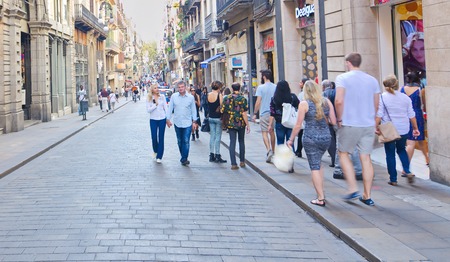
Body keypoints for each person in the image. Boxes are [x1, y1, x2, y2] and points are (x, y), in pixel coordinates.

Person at [335, 52, 380, 206]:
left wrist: (339, 118)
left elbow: (339, 100)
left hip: (349, 122)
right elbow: (376, 103)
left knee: (343, 154)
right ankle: (367, 195)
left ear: (348, 63)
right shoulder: (372, 80)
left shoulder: (342, 78)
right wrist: (373, 120)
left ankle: (352, 188)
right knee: (366, 158)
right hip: (367, 124)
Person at [287, 80, 336, 207]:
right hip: (326, 138)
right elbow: (334, 121)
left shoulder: (304, 104)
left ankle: (320, 198)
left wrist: (291, 139)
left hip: (310, 138)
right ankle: (322, 192)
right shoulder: (326, 102)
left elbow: (298, 125)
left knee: (314, 167)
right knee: (319, 164)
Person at [376, 75, 419, 185]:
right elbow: (411, 115)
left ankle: (393, 179)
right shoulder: (405, 98)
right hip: (403, 128)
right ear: (397, 84)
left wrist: (376, 126)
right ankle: (407, 170)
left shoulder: (382, 97)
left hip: (389, 129)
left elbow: (379, 114)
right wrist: (415, 128)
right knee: (401, 150)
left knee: (390, 154)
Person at [166, 81, 198, 166]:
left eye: (182, 87)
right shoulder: (174, 96)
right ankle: (183, 156)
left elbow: (194, 110)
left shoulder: (190, 97)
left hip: (187, 122)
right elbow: (170, 108)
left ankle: (184, 159)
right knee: (180, 141)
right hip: (177, 122)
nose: (181, 88)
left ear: (185, 87)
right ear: (177, 88)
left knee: (186, 141)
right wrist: (168, 119)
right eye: (179, 87)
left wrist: (194, 121)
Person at [401, 71, 429, 166]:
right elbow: (424, 104)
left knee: (420, 140)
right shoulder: (420, 90)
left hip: (405, 115)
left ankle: (427, 159)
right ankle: (406, 166)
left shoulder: (402, 89)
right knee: (411, 142)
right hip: (417, 115)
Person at [222, 82, 250, 170]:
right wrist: (247, 124)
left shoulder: (227, 98)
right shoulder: (242, 99)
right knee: (241, 141)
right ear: (239, 88)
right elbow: (244, 113)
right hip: (241, 123)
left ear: (232, 88)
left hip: (230, 123)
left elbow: (223, 110)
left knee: (232, 142)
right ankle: (242, 161)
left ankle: (233, 163)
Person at [252, 70, 276, 163]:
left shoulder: (261, 87)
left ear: (264, 77)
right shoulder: (275, 87)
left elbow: (258, 101)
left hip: (264, 113)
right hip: (273, 114)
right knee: (272, 132)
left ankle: (268, 150)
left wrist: (255, 113)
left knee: (264, 132)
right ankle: (273, 151)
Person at [268, 80, 300, 146]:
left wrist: (270, 125)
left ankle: (281, 155)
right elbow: (298, 107)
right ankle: (291, 155)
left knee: (280, 143)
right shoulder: (292, 97)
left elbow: (272, 113)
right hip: (290, 121)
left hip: (279, 122)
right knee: (290, 142)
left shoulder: (274, 99)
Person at [147, 84, 168, 163]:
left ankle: (159, 156)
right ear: (152, 90)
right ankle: (155, 151)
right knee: (154, 137)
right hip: (153, 120)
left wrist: (167, 118)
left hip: (162, 119)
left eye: (157, 88)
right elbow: (148, 110)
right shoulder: (149, 98)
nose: (157, 89)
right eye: (155, 88)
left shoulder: (162, 97)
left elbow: (166, 107)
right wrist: (155, 105)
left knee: (161, 137)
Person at [207, 81, 227, 163]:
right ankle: (217, 155)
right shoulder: (219, 95)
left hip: (210, 117)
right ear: (219, 88)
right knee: (218, 137)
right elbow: (222, 107)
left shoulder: (208, 94)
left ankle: (211, 155)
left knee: (212, 136)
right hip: (218, 118)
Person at [322, 80, 336, 167]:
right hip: (338, 119)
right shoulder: (336, 92)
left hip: (329, 120)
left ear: (323, 86)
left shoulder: (323, 95)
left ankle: (334, 159)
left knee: (331, 141)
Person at [295, 78, 309, 158]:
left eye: (300, 82)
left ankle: (299, 151)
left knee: (300, 135)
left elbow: (299, 105)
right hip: (310, 118)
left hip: (303, 117)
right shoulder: (314, 94)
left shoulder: (301, 95)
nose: (299, 83)